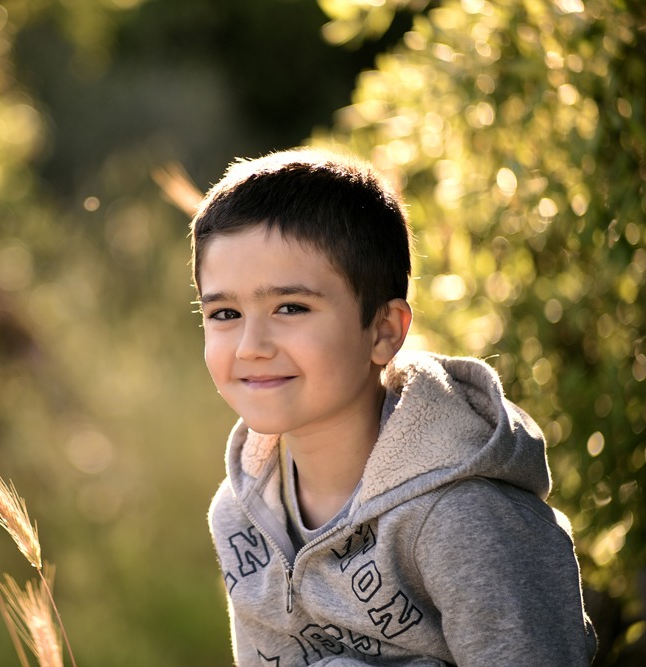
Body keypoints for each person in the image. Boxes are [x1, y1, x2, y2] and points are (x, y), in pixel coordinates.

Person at [191, 148, 596, 666]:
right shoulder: (241, 513)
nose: (251, 345)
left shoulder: (462, 518)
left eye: (290, 307)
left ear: (383, 330)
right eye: (225, 313)